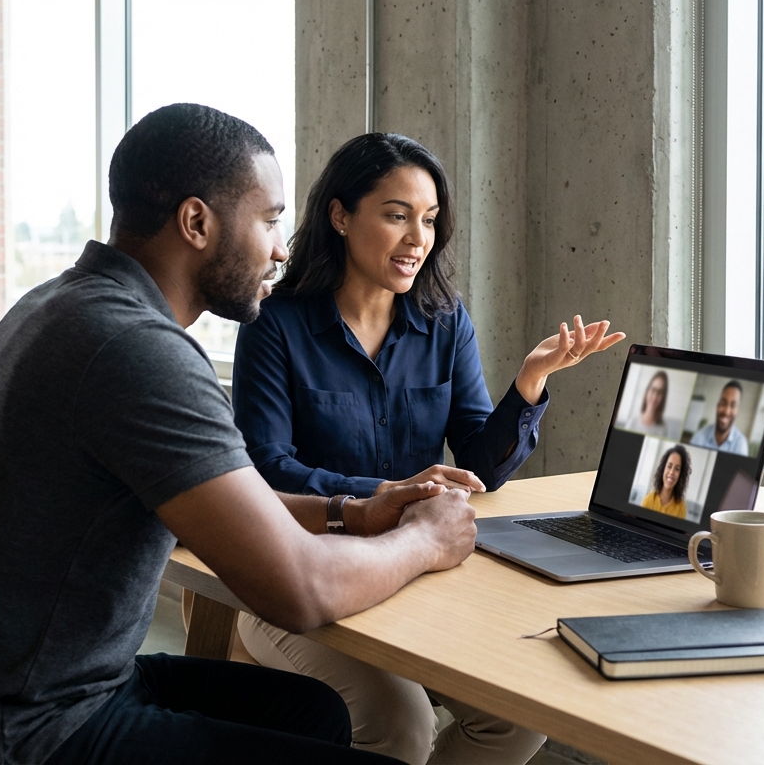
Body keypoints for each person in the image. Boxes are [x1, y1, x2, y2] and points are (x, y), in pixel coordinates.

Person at [0, 104, 479, 765]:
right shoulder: (136, 350)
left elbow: (220, 501)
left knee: (315, 712)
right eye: (268, 221)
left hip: (29, 691)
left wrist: (350, 511)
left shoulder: (62, 304)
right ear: (197, 222)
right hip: (31, 731)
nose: (281, 248)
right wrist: (426, 539)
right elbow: (298, 591)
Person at [231, 132, 625, 764]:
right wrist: (388, 495)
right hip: (298, 570)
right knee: (400, 723)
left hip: (414, 571)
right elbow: (267, 471)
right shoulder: (275, 325)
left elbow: (477, 469)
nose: (419, 238)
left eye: (430, 220)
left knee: (516, 715)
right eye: (396, 215)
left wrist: (528, 384)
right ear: (340, 215)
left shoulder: (445, 320)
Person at [688, 380, 749, 455]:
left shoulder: (741, 445)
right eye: (723, 403)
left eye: (733, 405)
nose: (726, 412)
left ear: (737, 411)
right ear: (717, 405)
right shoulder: (698, 437)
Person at [640, 444, 690, 519]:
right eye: (669, 466)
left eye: (677, 469)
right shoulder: (648, 500)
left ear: (680, 474)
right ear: (663, 468)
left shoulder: (681, 507)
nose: (671, 472)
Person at [631, 370, 670, 437]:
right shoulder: (632, 422)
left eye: (660, 392)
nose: (655, 397)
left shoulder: (663, 429)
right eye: (653, 389)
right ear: (647, 391)